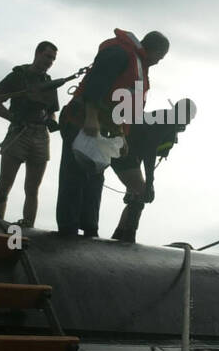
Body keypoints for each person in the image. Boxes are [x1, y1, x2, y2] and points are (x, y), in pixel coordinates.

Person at [56, 29, 169, 237]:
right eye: (159, 57)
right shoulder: (120, 52)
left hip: (106, 129)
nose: (158, 62)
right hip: (82, 122)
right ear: (153, 50)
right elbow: (96, 83)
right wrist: (90, 116)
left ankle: (90, 227)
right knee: (74, 175)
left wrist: (122, 136)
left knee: (95, 177)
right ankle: (68, 228)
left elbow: (127, 106)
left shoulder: (139, 66)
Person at [0, 41, 63, 226]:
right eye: (47, 56)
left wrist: (52, 121)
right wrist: (14, 118)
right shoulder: (18, 76)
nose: (49, 61)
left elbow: (52, 110)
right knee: (5, 183)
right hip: (19, 132)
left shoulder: (49, 82)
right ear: (37, 54)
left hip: (40, 135)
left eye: (53, 58)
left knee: (32, 188)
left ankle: (28, 225)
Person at [110, 98, 196, 243]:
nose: (189, 122)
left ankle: (119, 235)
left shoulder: (166, 118)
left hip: (128, 155)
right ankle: (128, 237)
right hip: (123, 153)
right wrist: (150, 182)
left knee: (136, 195)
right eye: (189, 117)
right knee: (143, 193)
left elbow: (143, 145)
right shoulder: (168, 120)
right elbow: (149, 150)